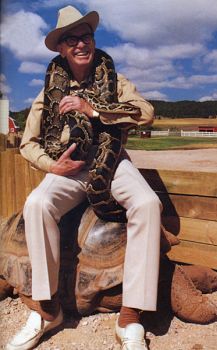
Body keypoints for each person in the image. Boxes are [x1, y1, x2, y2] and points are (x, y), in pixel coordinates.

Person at [6, 6, 162, 350]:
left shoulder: (114, 79)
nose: (80, 44)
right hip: (70, 167)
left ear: (93, 41)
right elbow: (28, 144)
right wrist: (51, 165)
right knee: (37, 203)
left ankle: (131, 317)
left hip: (112, 163)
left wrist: (92, 110)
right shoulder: (49, 90)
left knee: (148, 204)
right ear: (62, 48)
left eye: (86, 36)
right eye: (71, 39)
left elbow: (147, 113)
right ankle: (47, 310)